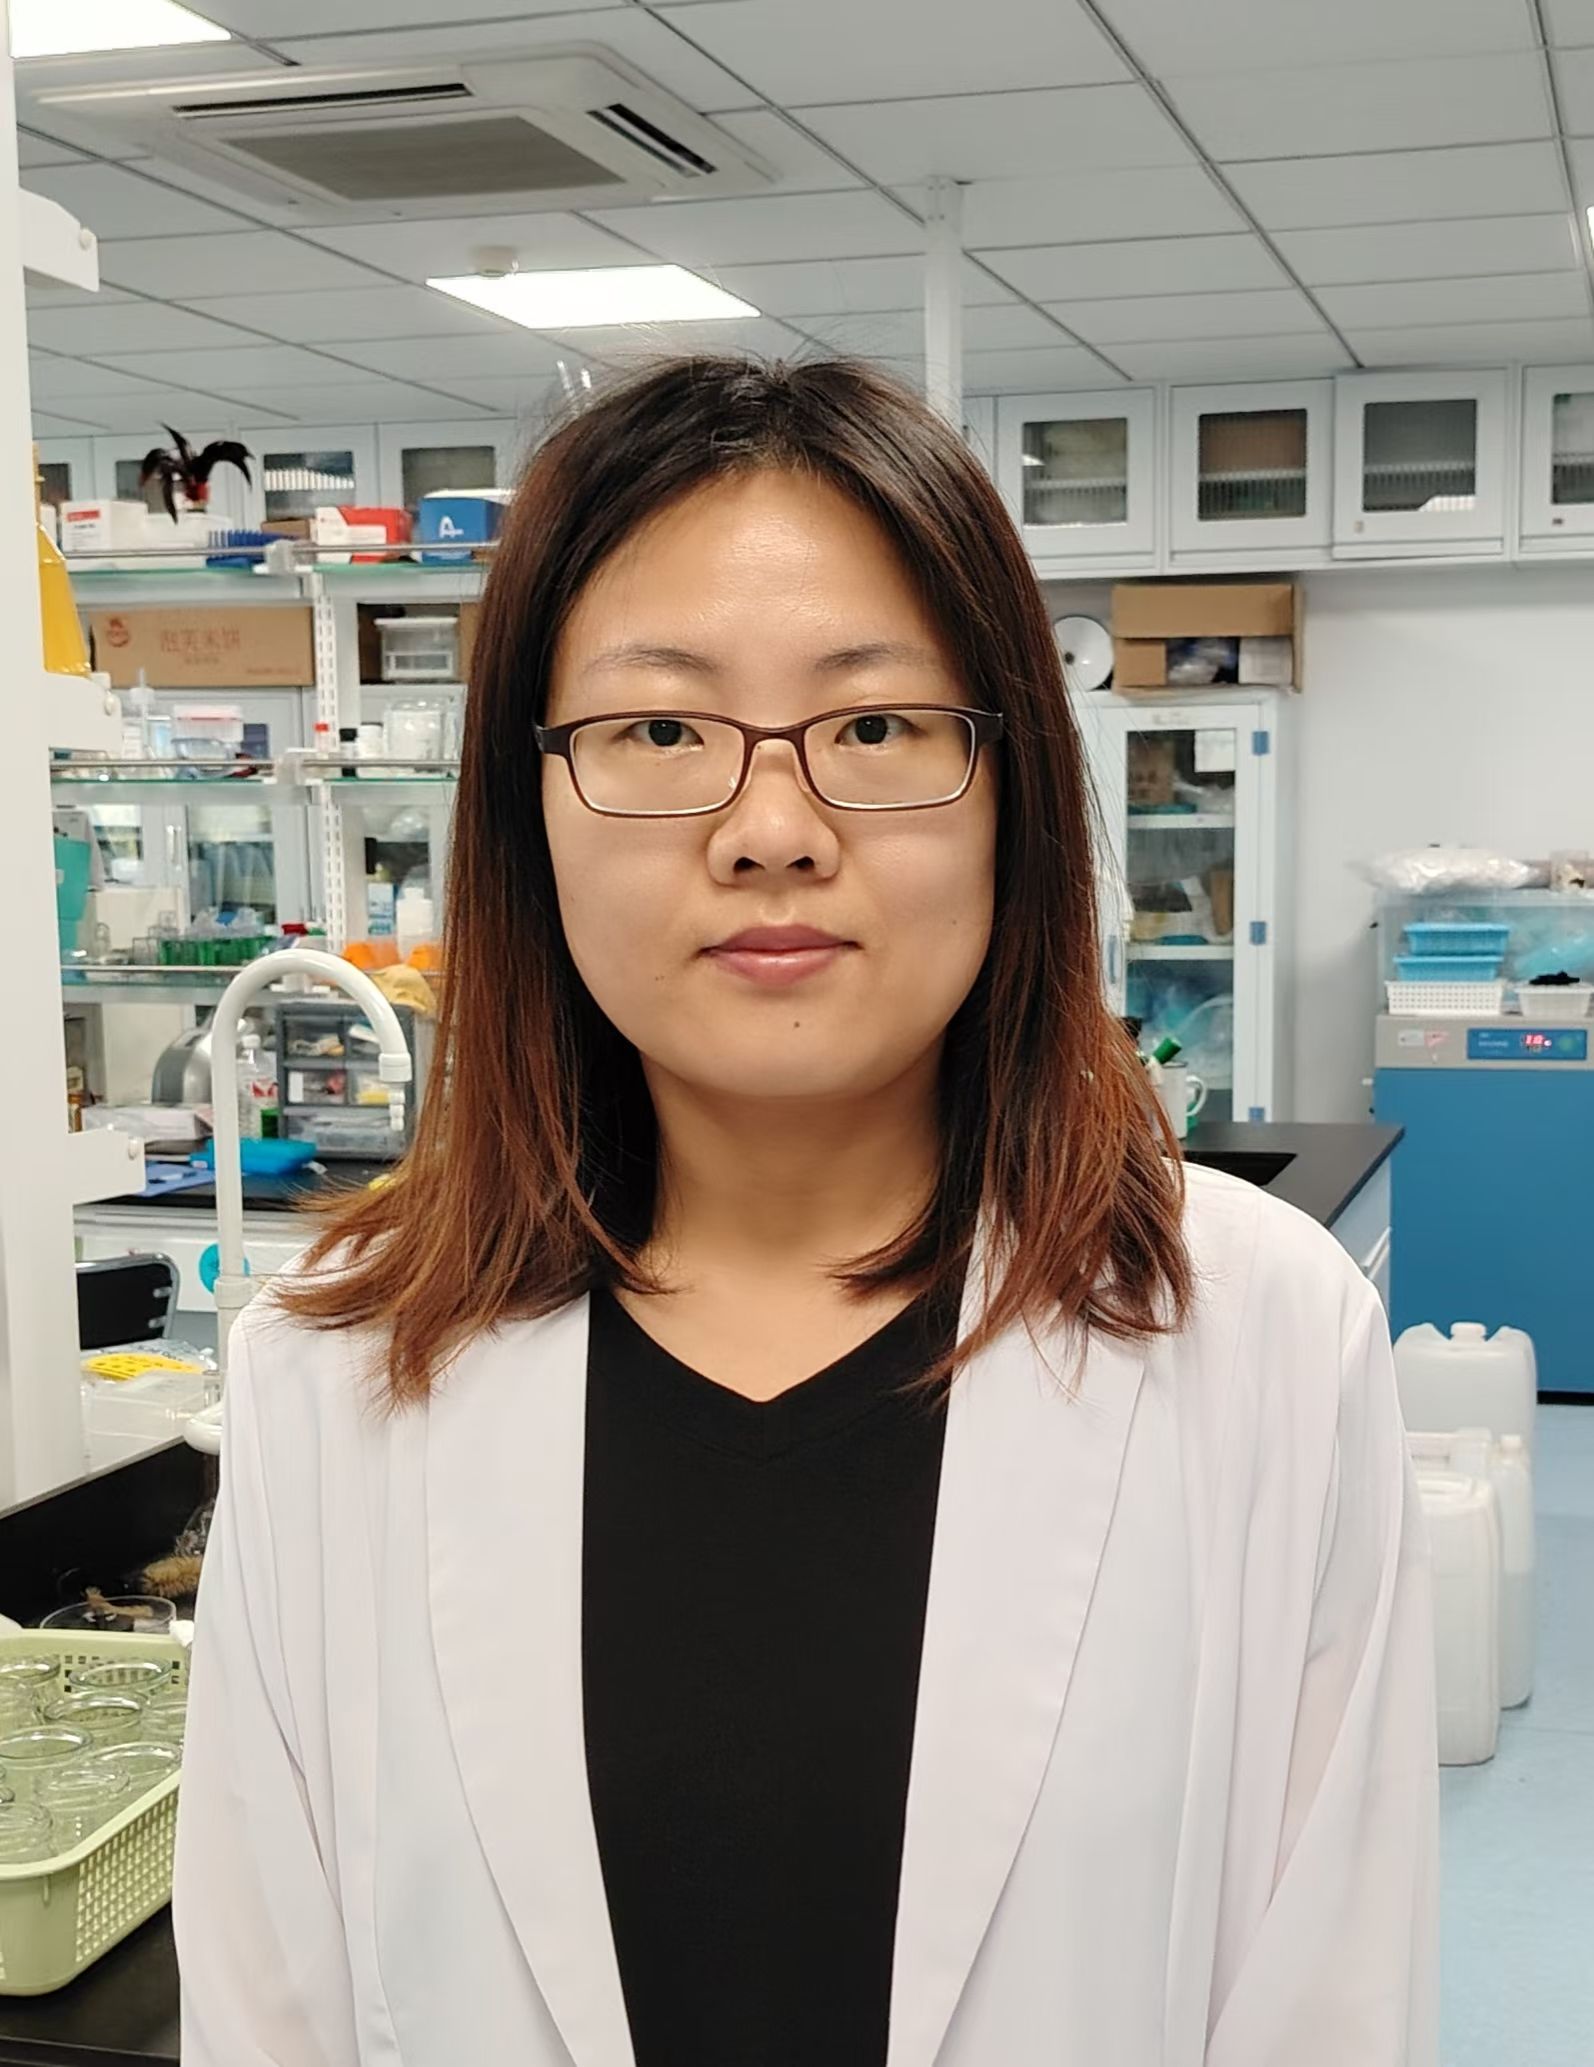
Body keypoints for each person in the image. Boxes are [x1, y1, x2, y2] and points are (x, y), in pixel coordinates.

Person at [174, 356, 1437, 2067]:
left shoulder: (1262, 1334)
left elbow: (1331, 2003)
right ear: (525, 806)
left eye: (873, 729)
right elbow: (269, 2010)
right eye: (659, 732)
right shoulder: (331, 1373)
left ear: (1010, 792)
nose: (771, 830)